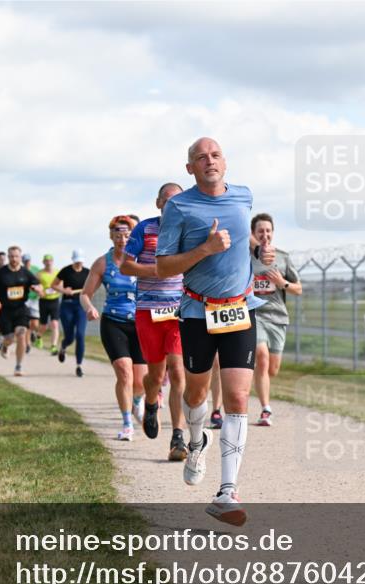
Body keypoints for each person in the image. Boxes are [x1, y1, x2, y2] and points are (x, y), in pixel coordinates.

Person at [155, 137, 275, 527]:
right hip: (196, 311)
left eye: (216, 155)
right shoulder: (179, 206)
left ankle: (227, 491)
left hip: (239, 309)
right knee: (195, 393)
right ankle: (195, 442)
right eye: (200, 157)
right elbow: (164, 267)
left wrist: (258, 252)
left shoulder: (244, 196)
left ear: (226, 163)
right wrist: (204, 249)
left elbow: (245, 241)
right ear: (190, 168)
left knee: (240, 395)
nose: (209, 161)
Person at [120, 182, 189, 459]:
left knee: (177, 370)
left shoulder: (189, 231)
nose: (173, 206)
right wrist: (158, 270)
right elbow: (125, 265)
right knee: (156, 375)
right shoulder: (144, 229)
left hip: (178, 311)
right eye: (168, 201)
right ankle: (150, 402)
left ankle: (177, 437)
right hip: (148, 311)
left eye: (178, 201)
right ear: (159, 203)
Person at [80, 216, 148, 441]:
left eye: (126, 234)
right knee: (124, 372)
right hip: (113, 322)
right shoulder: (102, 263)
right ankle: (127, 423)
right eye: (117, 234)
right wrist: (89, 308)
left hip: (140, 323)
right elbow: (85, 294)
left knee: (141, 382)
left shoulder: (141, 260)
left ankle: (137, 400)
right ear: (111, 236)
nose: (122, 239)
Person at [249, 213, 302, 426]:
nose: (264, 235)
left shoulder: (283, 257)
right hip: (255, 315)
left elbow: (298, 289)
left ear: (272, 233)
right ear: (253, 234)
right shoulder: (247, 257)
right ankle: (265, 409)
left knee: (272, 369)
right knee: (261, 358)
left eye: (268, 231)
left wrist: (282, 282)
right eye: (260, 231)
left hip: (278, 318)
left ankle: (260, 381)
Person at [0, 246, 43, 376]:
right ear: (8, 257)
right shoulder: (1, 273)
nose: (14, 259)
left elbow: (38, 285)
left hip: (21, 309)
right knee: (10, 338)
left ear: (20, 257)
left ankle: (19, 366)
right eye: (11, 256)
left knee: (21, 334)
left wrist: (38, 289)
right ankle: (4, 346)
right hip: (5, 310)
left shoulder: (25, 273)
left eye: (16, 256)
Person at [54, 250, 89, 378]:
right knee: (70, 337)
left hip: (81, 306)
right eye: (76, 260)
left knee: (80, 334)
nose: (78, 263)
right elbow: (54, 285)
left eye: (80, 260)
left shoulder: (87, 272)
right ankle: (63, 346)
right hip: (67, 305)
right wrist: (64, 290)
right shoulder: (66, 271)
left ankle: (79, 365)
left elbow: (93, 286)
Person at [36, 254, 62, 355]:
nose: (48, 262)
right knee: (43, 325)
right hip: (43, 301)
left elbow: (61, 283)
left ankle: (53, 347)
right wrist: (39, 291)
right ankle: (38, 337)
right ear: (43, 262)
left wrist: (59, 289)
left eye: (50, 260)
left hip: (55, 300)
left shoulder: (57, 272)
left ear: (52, 261)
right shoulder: (40, 274)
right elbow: (36, 285)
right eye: (46, 261)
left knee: (55, 324)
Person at [23, 253, 42, 351]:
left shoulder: (36, 270)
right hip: (24, 300)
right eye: (25, 261)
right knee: (26, 323)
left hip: (35, 299)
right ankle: (27, 345)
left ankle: (33, 333)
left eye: (28, 261)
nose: (27, 263)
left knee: (35, 324)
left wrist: (40, 290)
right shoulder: (21, 270)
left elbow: (40, 282)